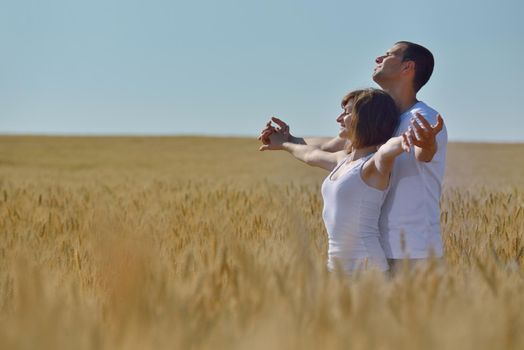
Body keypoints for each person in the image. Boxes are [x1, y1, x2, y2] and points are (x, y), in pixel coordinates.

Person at [259, 42, 447, 271]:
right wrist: (288, 139)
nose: (378, 58)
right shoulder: (376, 121)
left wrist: (427, 145)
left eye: (388, 55)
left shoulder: (423, 117)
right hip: (376, 247)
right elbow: (327, 146)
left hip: (411, 251)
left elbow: (423, 153)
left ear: (407, 67)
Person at [262, 88, 412, 273]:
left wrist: (404, 139)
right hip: (336, 268)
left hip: (366, 270)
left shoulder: (373, 165)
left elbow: (387, 149)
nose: (339, 118)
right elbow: (310, 154)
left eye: (347, 112)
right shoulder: (344, 160)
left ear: (366, 118)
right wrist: (284, 142)